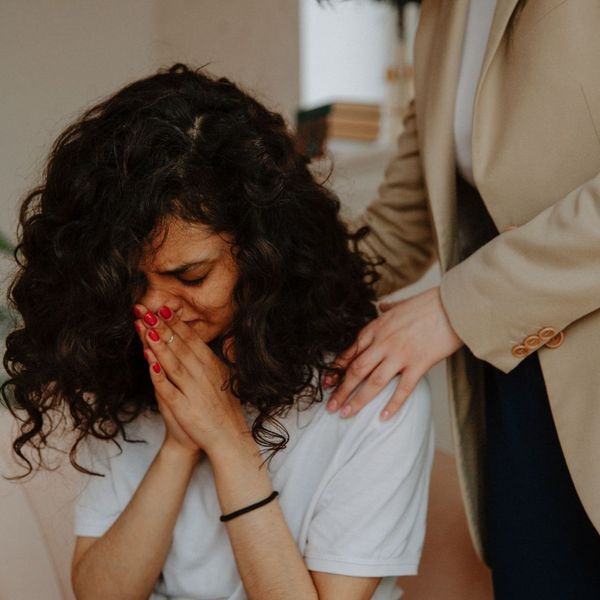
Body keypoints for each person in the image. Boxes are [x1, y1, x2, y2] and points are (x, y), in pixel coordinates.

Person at [2, 64, 434, 600]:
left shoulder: (369, 384)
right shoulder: (127, 369)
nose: (156, 308)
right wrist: (180, 447)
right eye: (132, 282)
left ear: (264, 255)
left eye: (191, 276)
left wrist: (228, 440)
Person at [324, 0, 600, 597]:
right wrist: (254, 288)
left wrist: (455, 308)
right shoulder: (441, 16)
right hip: (519, 377)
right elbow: (401, 223)